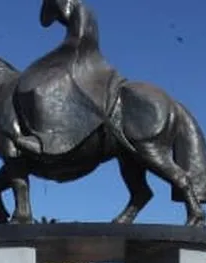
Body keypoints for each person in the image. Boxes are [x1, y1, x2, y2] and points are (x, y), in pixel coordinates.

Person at [11, 0, 122, 156]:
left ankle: (46, 139)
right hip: (77, 50)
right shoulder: (82, 10)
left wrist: (59, 54)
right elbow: (49, 21)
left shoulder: (81, 10)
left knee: (43, 88)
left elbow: (81, 38)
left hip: (80, 53)